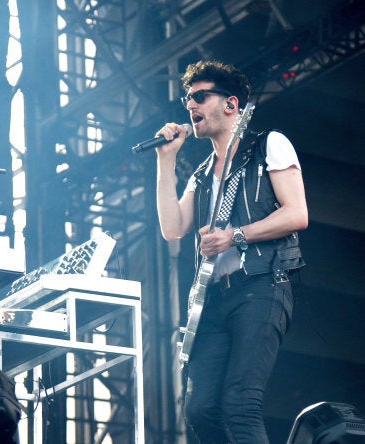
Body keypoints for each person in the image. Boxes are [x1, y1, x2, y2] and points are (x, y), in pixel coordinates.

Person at [154, 61, 308, 443]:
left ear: (230, 104)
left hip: (261, 285)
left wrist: (235, 235)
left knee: (240, 402)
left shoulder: (268, 144)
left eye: (200, 96)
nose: (191, 105)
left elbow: (297, 213)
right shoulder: (202, 173)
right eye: (187, 98)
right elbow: (172, 228)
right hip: (213, 300)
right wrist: (166, 159)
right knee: (200, 408)